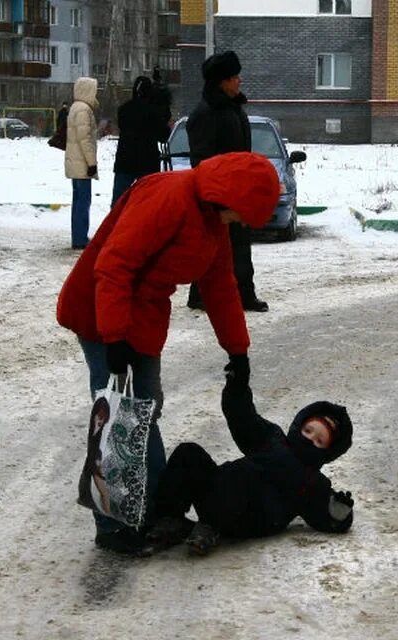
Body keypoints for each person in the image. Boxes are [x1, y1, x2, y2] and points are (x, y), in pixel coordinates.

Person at [56, 151, 280, 556]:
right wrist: (114, 338)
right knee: (119, 418)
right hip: (100, 310)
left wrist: (238, 350)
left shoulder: (213, 223)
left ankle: (153, 510)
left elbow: (220, 287)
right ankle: (113, 524)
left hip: (140, 319)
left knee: (145, 410)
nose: (245, 224)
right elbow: (114, 266)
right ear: (232, 196)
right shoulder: (170, 197)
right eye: (247, 214)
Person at [145, 355, 355, 556]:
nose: (310, 440)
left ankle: (210, 527)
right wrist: (237, 387)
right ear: (299, 425)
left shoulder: (311, 480)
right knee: (188, 453)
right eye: (309, 431)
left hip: (252, 518)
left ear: (326, 453)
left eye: (318, 441)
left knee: (247, 472)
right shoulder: (273, 438)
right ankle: (169, 518)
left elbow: (325, 516)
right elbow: (243, 419)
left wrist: (340, 511)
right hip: (220, 492)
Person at [186, 51, 269, 313]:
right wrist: (213, 195)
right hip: (218, 193)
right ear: (221, 81)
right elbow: (201, 159)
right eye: (234, 77)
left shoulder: (233, 108)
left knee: (240, 245)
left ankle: (245, 294)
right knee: (213, 248)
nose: (239, 81)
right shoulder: (206, 112)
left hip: (237, 190)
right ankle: (199, 295)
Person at [112, 76, 172, 206]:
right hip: (147, 162)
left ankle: (115, 224)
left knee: (118, 200)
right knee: (148, 201)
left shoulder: (124, 110)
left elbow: (123, 127)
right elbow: (163, 135)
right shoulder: (153, 112)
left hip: (125, 159)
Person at [65, 77, 99, 250]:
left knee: (78, 200)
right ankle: (80, 238)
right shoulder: (84, 109)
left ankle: (78, 236)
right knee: (83, 202)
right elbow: (85, 139)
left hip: (75, 162)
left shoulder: (75, 108)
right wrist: (92, 163)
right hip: (82, 164)